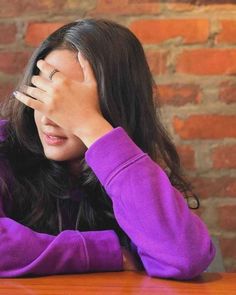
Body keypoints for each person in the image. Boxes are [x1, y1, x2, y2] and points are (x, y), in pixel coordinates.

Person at [0, 18, 215, 279]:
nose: (49, 117)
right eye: (44, 93)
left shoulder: (131, 168)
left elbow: (184, 256)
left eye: (71, 101)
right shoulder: (5, 147)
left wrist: (90, 126)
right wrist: (107, 252)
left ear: (116, 101)